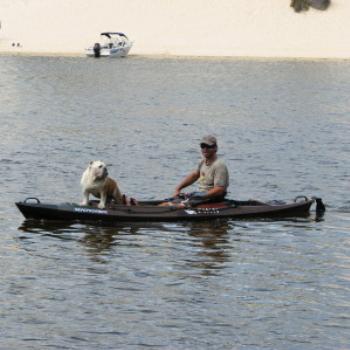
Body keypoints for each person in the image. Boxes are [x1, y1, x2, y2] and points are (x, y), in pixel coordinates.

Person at [170, 135, 229, 207]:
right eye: (203, 146)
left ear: (215, 148)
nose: (205, 149)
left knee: (178, 205)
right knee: (174, 199)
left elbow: (219, 189)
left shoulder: (219, 166)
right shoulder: (203, 162)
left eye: (208, 146)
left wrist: (201, 196)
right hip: (201, 196)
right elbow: (195, 175)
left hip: (213, 199)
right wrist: (178, 188)